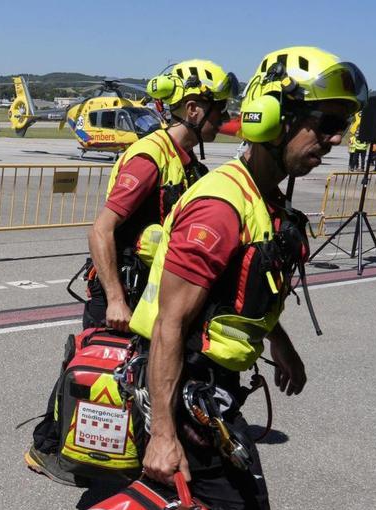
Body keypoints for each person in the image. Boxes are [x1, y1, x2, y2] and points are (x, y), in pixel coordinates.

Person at [129, 46, 366, 510]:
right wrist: (164, 435)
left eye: (341, 127)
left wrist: (281, 345)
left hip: (214, 381)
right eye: (325, 124)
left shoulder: (266, 199)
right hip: (187, 384)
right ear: (276, 119)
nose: (334, 141)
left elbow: (248, 289)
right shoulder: (221, 207)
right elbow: (170, 324)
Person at [24, 59, 236, 486]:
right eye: (219, 110)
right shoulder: (150, 158)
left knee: (141, 373)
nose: (225, 119)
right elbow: (101, 229)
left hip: (150, 292)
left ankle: (128, 447)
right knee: (92, 364)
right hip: (120, 291)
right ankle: (49, 447)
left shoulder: (188, 162)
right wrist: (116, 298)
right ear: (193, 109)